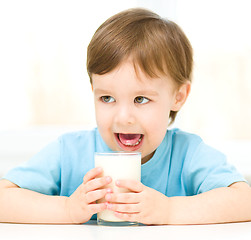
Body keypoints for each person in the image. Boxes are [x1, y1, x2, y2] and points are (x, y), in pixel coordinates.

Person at [0, 8, 251, 225]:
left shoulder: (188, 154)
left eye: (141, 99)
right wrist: (66, 210)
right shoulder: (70, 152)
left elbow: (244, 201)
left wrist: (169, 210)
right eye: (107, 98)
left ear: (178, 96)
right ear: (93, 93)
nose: (123, 117)